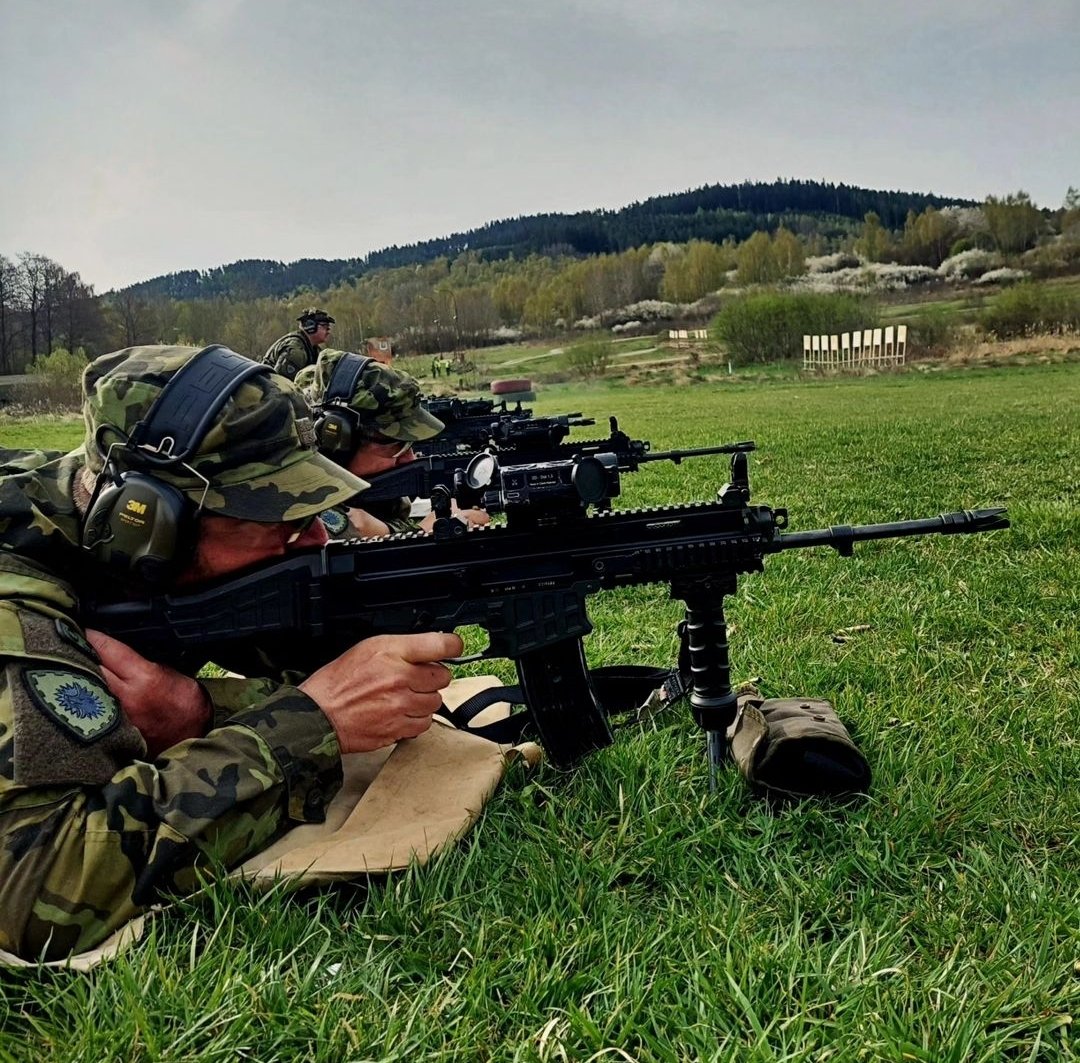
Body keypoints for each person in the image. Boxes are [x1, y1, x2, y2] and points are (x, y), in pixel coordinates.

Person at [0, 344, 462, 961]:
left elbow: (323, 657)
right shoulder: (17, 605)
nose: (317, 535)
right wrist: (304, 729)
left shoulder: (128, 546)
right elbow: (36, 893)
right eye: (277, 518)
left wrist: (198, 715)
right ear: (151, 524)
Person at [302, 349, 490, 538]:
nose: (410, 459)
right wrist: (420, 533)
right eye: (396, 446)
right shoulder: (298, 501)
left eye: (410, 446)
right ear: (337, 443)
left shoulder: (368, 497)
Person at [262, 307, 335, 382]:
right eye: (325, 327)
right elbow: (280, 384)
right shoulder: (295, 351)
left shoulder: (314, 350)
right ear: (310, 326)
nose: (328, 331)